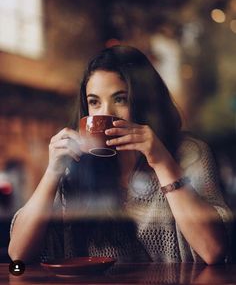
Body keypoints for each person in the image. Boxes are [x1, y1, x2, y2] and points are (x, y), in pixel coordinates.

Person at [8, 45, 232, 264]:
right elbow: (18, 253)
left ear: (145, 103)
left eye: (120, 99)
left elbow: (213, 250)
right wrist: (52, 172)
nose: (105, 113)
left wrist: (162, 162)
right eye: (94, 102)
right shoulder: (77, 160)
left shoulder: (189, 152)